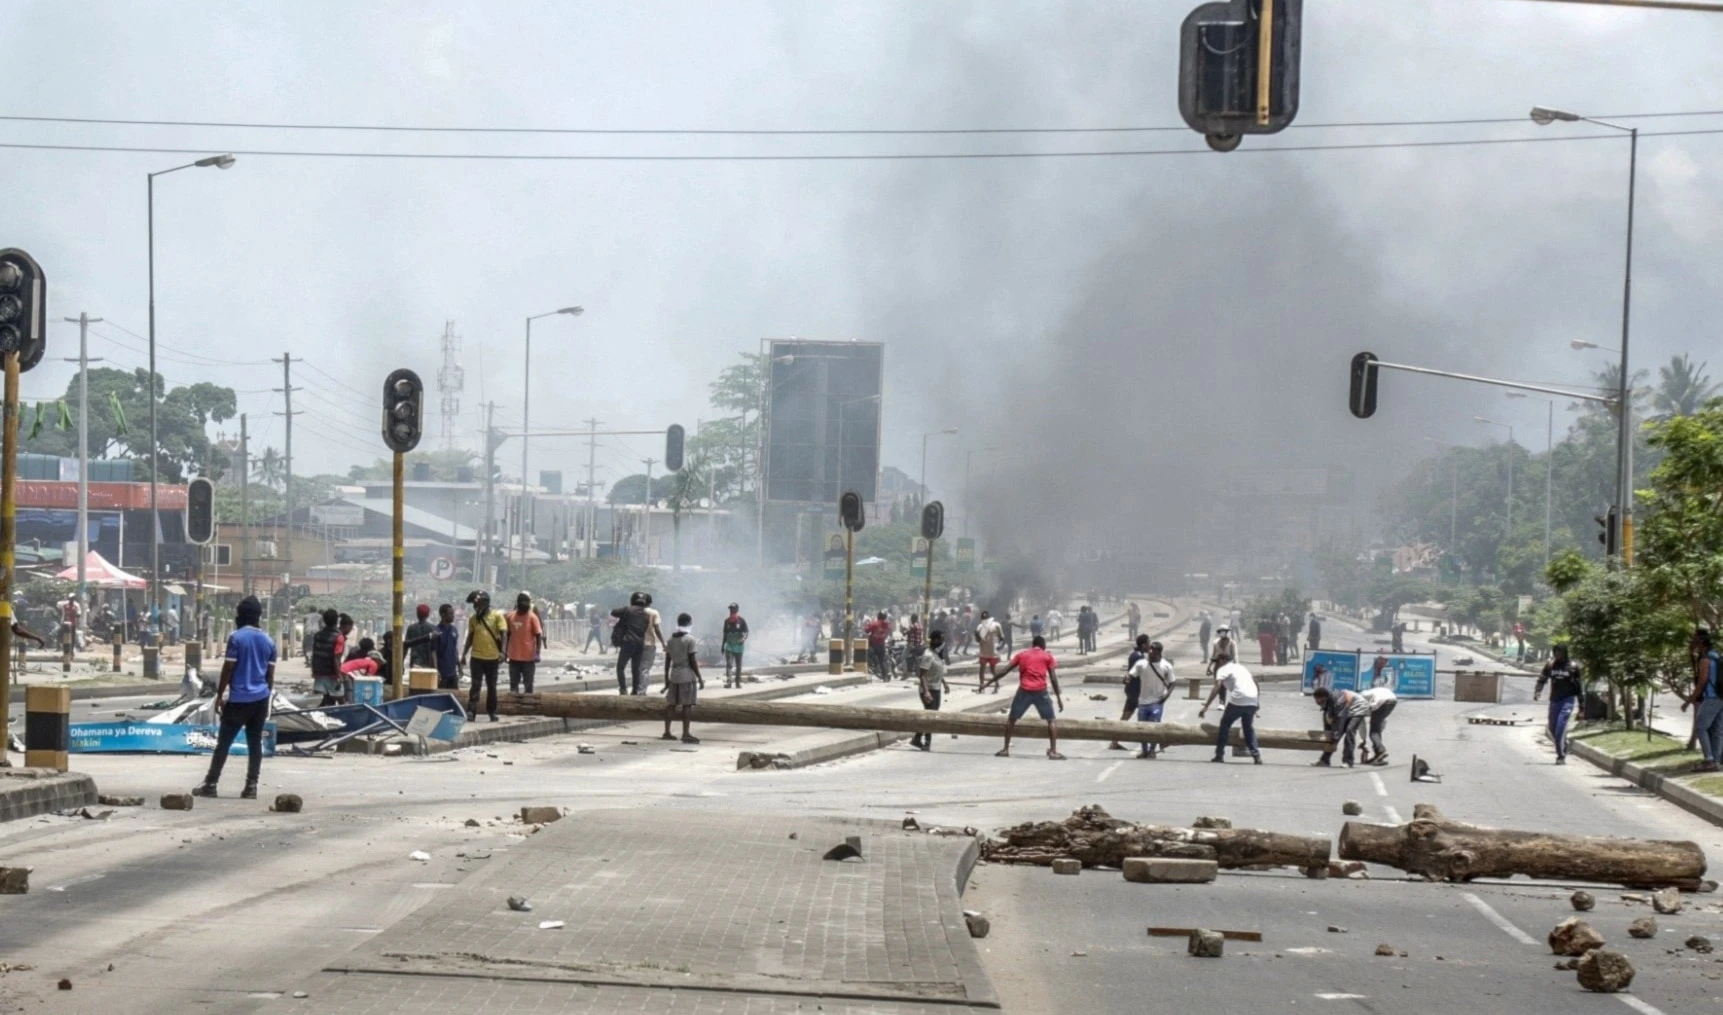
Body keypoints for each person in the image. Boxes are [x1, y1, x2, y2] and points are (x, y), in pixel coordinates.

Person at [192, 596, 276, 800]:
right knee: (254, 743)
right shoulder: (269, 641)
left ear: (240, 616)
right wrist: (266, 698)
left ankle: (211, 784)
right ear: (258, 616)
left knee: (224, 742)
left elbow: (228, 668)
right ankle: (251, 787)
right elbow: (270, 676)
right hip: (260, 698)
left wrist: (220, 694)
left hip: (239, 699)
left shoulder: (236, 638)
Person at [988, 635, 1065, 759]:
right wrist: (1059, 699)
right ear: (1043, 645)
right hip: (1041, 691)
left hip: (1024, 690)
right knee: (1051, 720)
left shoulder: (1022, 655)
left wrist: (989, 683)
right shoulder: (1047, 656)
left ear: (1033, 645)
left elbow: (1004, 671)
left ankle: (1005, 749)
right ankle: (1053, 751)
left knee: (1012, 719)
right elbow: (1053, 678)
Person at [1198, 652, 1261, 764]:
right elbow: (1255, 682)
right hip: (1252, 698)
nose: (1216, 665)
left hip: (1239, 699)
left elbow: (1217, 687)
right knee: (1248, 728)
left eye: (1217, 662)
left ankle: (1219, 754)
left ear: (1222, 661)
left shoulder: (1222, 669)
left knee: (1225, 725)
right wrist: (1256, 702)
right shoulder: (1241, 667)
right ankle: (1256, 755)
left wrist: (1206, 706)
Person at [1533, 643, 1583, 765]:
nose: (1557, 654)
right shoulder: (1550, 665)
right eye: (1555, 652)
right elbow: (1542, 679)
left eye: (1559, 652)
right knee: (1552, 727)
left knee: (1561, 726)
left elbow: (1579, 688)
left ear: (1565, 653)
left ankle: (1561, 756)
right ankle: (1563, 743)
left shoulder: (1573, 667)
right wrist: (1538, 691)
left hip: (1568, 700)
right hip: (1554, 700)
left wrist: (1582, 706)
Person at [462, 591, 507, 721]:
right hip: (476, 657)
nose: (475, 607)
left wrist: (503, 652)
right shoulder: (473, 619)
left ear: (485, 603)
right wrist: (464, 654)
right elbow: (470, 637)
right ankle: (471, 711)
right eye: (474, 605)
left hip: (492, 658)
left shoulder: (497, 616)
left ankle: (492, 712)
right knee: (475, 685)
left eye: (477, 604)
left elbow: (504, 635)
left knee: (491, 686)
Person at [659, 612, 703, 744]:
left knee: (671, 705)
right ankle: (686, 733)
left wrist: (666, 680)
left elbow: (667, 662)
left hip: (674, 676)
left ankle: (667, 732)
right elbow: (693, 661)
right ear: (689, 623)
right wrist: (699, 677)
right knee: (687, 705)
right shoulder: (690, 639)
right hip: (687, 676)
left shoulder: (671, 640)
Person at [1128, 639, 1174, 758]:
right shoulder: (1141, 664)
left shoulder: (1166, 666)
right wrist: (1127, 678)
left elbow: (1172, 683)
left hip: (1157, 701)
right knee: (1142, 728)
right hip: (1143, 701)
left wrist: (1165, 697)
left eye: (1152, 650)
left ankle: (1152, 750)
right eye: (1149, 650)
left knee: (1155, 728)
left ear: (1158, 652)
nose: (1149, 652)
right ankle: (1144, 750)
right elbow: (1131, 674)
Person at [1684, 630, 1722, 771]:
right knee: (1717, 730)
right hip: (1721, 697)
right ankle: (1716, 762)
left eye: (1694, 639)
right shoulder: (1716, 655)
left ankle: (1709, 760)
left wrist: (1689, 701)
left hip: (1712, 698)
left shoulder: (1705, 660)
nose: (1692, 642)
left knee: (1700, 727)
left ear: (1700, 642)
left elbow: (1701, 682)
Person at [911, 629, 952, 751]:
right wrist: (926, 692)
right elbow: (922, 675)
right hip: (928, 689)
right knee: (930, 716)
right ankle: (926, 742)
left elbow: (937, 671)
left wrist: (944, 683)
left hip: (936, 688)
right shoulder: (928, 655)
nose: (943, 642)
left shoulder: (936, 654)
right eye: (941, 639)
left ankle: (917, 738)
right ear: (935, 640)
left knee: (931, 715)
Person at [611, 592, 653, 695]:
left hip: (628, 642)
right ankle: (635, 691)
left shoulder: (628, 610)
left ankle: (623, 689)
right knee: (635, 669)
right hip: (640, 644)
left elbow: (613, 612)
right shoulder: (647, 615)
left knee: (620, 667)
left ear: (633, 600)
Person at [505, 592, 544, 694]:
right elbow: (507, 635)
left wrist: (537, 652)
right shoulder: (510, 617)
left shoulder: (532, 617)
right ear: (518, 604)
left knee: (528, 685)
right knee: (513, 685)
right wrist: (505, 652)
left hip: (528, 658)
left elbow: (538, 635)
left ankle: (528, 703)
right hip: (513, 657)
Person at [427, 603, 461, 690]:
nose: (453, 616)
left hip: (453, 673)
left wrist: (459, 666)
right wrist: (436, 670)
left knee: (454, 696)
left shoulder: (454, 629)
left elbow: (455, 649)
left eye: (453, 613)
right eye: (451, 613)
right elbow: (433, 652)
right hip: (442, 675)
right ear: (443, 615)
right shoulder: (436, 631)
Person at [974, 609, 1005, 692]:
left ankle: (997, 685)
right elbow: (978, 640)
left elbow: (1002, 637)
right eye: (983, 618)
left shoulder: (996, 625)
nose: (985, 619)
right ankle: (981, 686)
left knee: (992, 669)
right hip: (983, 651)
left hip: (993, 652)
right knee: (982, 669)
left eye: (986, 617)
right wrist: (977, 635)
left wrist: (1000, 646)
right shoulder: (979, 627)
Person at [402, 603, 438, 676]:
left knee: (415, 681)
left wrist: (401, 663)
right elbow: (434, 650)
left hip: (415, 662)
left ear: (417, 614)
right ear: (428, 615)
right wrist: (436, 668)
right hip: (428, 663)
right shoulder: (433, 628)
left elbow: (405, 647)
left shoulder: (411, 628)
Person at [721, 603, 749, 688]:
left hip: (739, 646)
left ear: (737, 610)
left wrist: (743, 639)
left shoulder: (741, 620)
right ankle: (729, 682)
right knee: (729, 664)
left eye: (733, 609)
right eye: (730, 609)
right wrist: (722, 646)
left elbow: (746, 633)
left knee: (738, 665)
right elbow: (725, 634)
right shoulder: (726, 621)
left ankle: (737, 682)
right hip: (729, 646)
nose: (731, 610)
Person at [864, 611, 893, 680]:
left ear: (878, 616)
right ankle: (885, 677)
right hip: (882, 645)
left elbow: (867, 630)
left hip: (873, 645)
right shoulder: (887, 625)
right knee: (882, 661)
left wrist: (866, 625)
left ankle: (874, 667)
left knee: (866, 656)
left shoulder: (875, 623)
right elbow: (889, 632)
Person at [904, 613, 925, 681]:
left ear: (912, 619)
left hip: (913, 645)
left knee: (902, 657)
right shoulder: (920, 625)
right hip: (920, 645)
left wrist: (903, 631)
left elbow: (906, 632)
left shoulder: (912, 626)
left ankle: (905, 674)